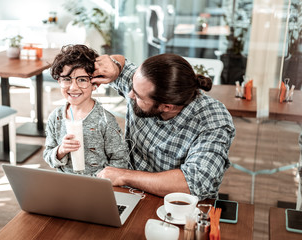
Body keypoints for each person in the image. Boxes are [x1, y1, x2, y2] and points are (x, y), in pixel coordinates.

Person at [92, 53, 236, 200]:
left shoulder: (213, 120)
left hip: (178, 207)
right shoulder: (144, 84)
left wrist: (124, 176)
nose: (130, 95)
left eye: (138, 96)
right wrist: (114, 65)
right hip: (131, 196)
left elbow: (195, 182)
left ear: (167, 107)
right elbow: (122, 64)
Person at [43, 44, 129, 176]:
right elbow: (48, 154)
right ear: (59, 81)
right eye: (66, 79)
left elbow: (120, 160)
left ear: (95, 84)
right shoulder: (56, 117)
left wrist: (103, 180)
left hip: (97, 186)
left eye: (82, 80)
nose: (73, 87)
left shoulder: (106, 121)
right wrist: (61, 150)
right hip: (65, 184)